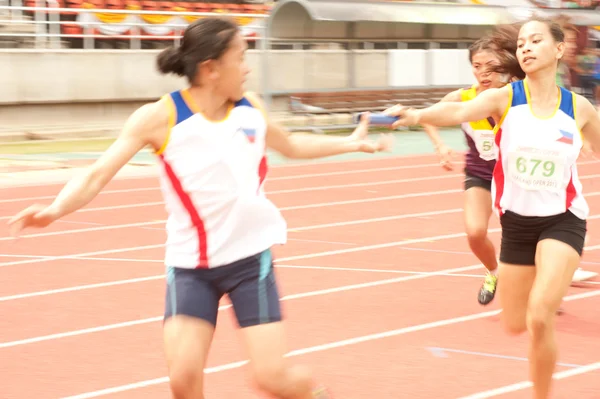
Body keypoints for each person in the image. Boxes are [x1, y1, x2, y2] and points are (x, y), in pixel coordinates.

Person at [7, 17, 393, 399]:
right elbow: (96, 174)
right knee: (183, 377)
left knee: (272, 378)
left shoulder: (249, 108)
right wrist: (55, 209)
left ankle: (314, 394)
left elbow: (291, 144)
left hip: (249, 260)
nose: (247, 67)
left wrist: (352, 143)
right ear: (210, 68)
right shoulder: (161, 117)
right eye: (240, 57)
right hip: (191, 267)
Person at [384, 18, 600, 399]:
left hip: (563, 221)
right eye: (521, 44)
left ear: (559, 49)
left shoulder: (579, 108)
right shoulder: (505, 98)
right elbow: (456, 113)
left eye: (536, 41)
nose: (526, 48)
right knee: (515, 324)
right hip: (516, 224)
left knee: (539, 315)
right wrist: (417, 116)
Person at [421, 31, 524, 306]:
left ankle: (540, 286)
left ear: (506, 66)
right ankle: (493, 271)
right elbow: (428, 117)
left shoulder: (519, 95)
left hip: (517, 177)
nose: (484, 73)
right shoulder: (464, 97)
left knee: (524, 237)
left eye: (491, 67)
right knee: (475, 233)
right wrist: (440, 146)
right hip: (480, 173)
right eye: (477, 66)